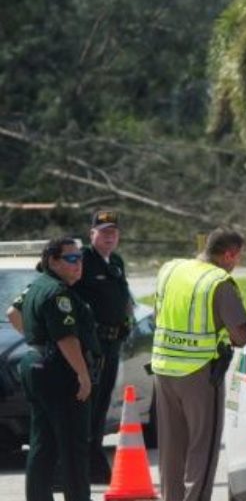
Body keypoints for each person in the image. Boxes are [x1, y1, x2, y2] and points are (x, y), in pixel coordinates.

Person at [153, 229, 246, 501]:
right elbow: (241, 334)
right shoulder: (218, 282)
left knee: (171, 448)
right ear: (229, 254)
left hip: (164, 369)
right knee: (204, 448)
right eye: (237, 258)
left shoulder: (171, 270)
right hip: (199, 373)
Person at [5, 238, 99, 501]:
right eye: (71, 259)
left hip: (36, 364)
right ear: (53, 261)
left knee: (43, 443)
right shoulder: (58, 293)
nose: (78, 263)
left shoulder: (37, 285)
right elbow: (66, 338)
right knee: (73, 445)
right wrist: (82, 374)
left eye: (80, 258)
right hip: (61, 371)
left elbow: (13, 312)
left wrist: (37, 339)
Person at [73, 211, 134, 484]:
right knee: (88, 405)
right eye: (103, 231)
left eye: (114, 232)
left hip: (113, 344)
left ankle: (94, 461)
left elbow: (123, 296)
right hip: (92, 347)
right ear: (92, 234)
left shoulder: (116, 262)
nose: (109, 236)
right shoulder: (82, 260)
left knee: (101, 406)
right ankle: (80, 465)